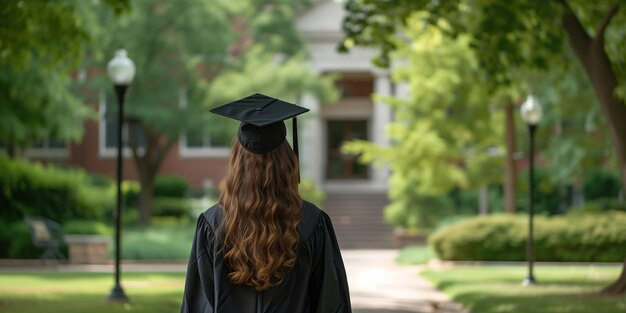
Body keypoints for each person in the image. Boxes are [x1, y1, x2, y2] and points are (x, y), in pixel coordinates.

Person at [180, 93, 352, 313]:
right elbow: (331, 302)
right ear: (288, 161)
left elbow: (196, 304)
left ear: (237, 163)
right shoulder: (312, 223)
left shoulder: (212, 223)